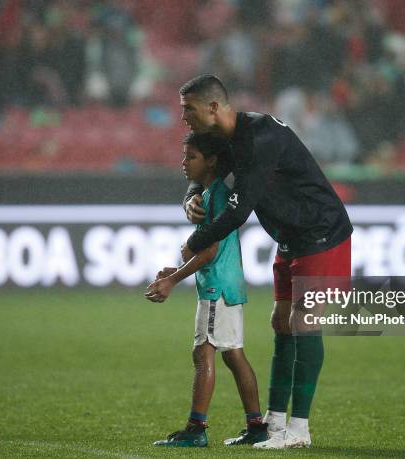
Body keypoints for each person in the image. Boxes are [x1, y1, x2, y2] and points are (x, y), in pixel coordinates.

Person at [177, 74, 352, 449]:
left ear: (212, 107)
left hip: (319, 230)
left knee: (304, 322)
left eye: (188, 110)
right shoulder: (229, 138)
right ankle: (273, 424)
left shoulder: (259, 138)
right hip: (291, 235)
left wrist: (195, 241)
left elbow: (238, 212)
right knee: (280, 321)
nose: (184, 118)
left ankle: (299, 430)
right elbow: (208, 166)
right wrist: (192, 194)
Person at [145, 132, 268, 447]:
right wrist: (177, 271)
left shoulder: (215, 197)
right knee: (234, 356)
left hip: (216, 288)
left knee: (204, 353)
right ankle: (256, 426)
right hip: (229, 284)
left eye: (191, 157)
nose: (184, 163)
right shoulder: (218, 194)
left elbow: (209, 250)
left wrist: (172, 280)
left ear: (211, 160)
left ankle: (196, 430)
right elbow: (211, 250)